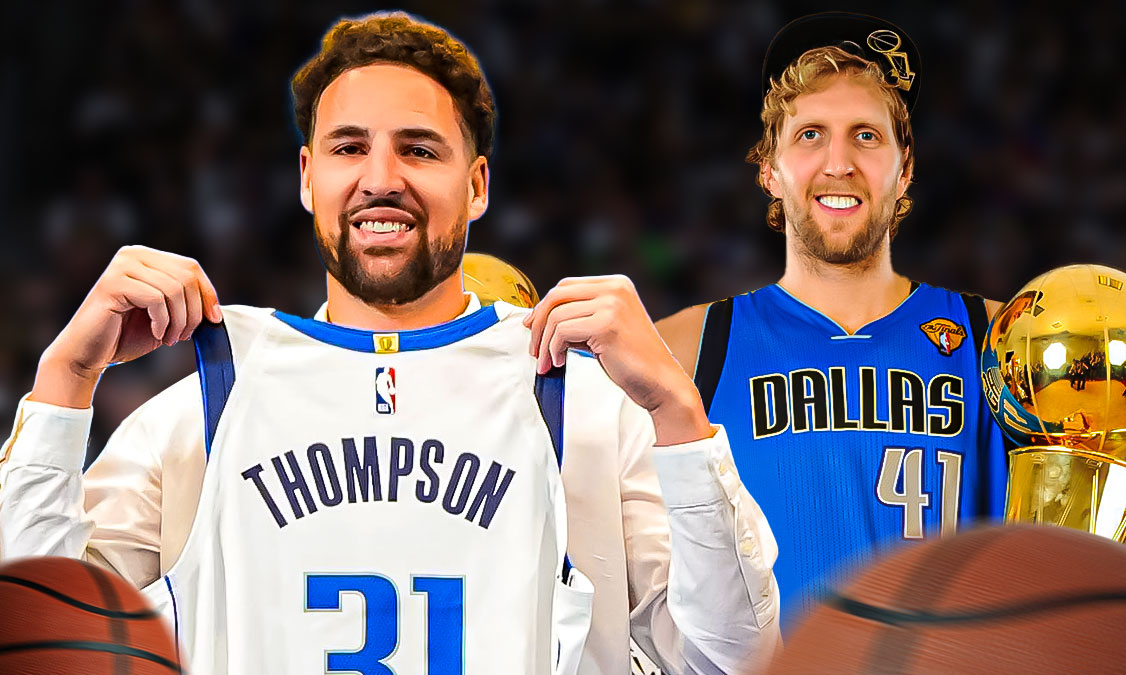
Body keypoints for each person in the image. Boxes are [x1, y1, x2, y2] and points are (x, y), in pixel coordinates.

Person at [0, 13, 778, 674]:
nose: (381, 176)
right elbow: (36, 644)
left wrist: (679, 410)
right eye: (348, 148)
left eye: (418, 148)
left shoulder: (589, 407)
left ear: (476, 184)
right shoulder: (204, 408)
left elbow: (737, 657)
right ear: (308, 177)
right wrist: (66, 379)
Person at [655, 11, 1007, 624]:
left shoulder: (1000, 337)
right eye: (811, 134)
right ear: (769, 169)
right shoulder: (686, 347)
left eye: (866, 136)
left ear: (906, 169)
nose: (839, 163)